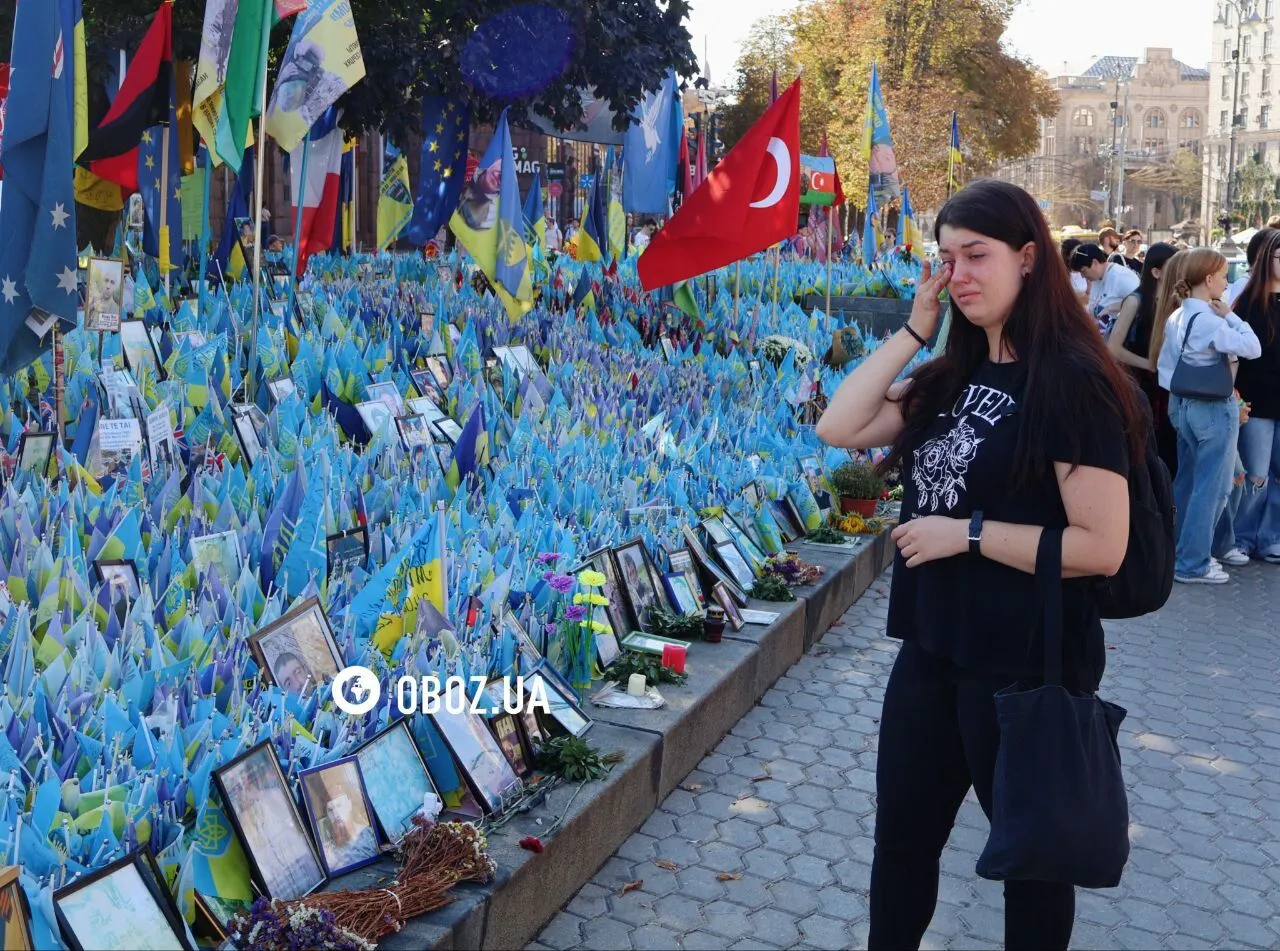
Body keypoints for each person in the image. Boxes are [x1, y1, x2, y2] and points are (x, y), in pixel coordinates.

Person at [817, 180, 1141, 951]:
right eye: (946, 258)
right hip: (931, 653)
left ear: (1029, 260)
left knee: (1033, 867)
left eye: (976, 256)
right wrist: (911, 330)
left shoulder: (1072, 382)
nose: (958, 274)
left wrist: (968, 533)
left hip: (1026, 668)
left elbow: (1103, 545)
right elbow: (839, 425)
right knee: (900, 846)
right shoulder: (949, 376)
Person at [1155, 248, 1262, 584]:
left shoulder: (1177, 316)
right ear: (1208, 279)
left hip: (1181, 404)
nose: (1226, 281)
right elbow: (1252, 347)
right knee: (1212, 488)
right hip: (1212, 408)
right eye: (1221, 275)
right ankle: (1193, 562)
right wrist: (1231, 314)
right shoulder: (1211, 320)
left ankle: (1181, 551)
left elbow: (1166, 368)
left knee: (1187, 480)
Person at [1226, 227, 1280, 564]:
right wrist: (1234, 396)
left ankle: (1271, 538)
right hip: (1256, 401)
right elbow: (1232, 352)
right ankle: (1242, 537)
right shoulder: (1246, 301)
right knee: (1256, 475)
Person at [1108, 242, 1179, 476]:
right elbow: (1114, 348)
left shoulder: (1177, 299)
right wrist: (1149, 365)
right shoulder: (1136, 301)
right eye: (1172, 267)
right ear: (1156, 272)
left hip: (1171, 386)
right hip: (1145, 388)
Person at [1070, 242, 1140, 335]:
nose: (1083, 276)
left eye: (1083, 271)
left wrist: (1114, 307)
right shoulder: (1097, 278)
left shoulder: (1122, 277)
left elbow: (1141, 305)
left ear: (1095, 262)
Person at [1060, 238, 1089, 311]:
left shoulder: (1087, 271)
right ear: (1068, 256)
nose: (1081, 254)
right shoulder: (1063, 276)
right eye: (1077, 251)